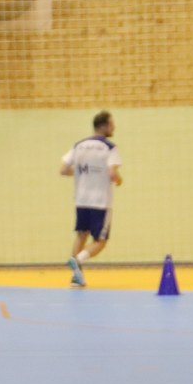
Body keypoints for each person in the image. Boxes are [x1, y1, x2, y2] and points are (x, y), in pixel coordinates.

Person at [60, 110, 122, 287]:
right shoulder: (109, 147)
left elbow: (63, 170)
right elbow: (112, 173)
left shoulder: (79, 145)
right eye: (112, 124)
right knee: (100, 241)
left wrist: (81, 175)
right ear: (104, 126)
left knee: (81, 235)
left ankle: (76, 277)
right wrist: (119, 180)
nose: (114, 127)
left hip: (81, 199)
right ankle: (78, 260)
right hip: (100, 201)